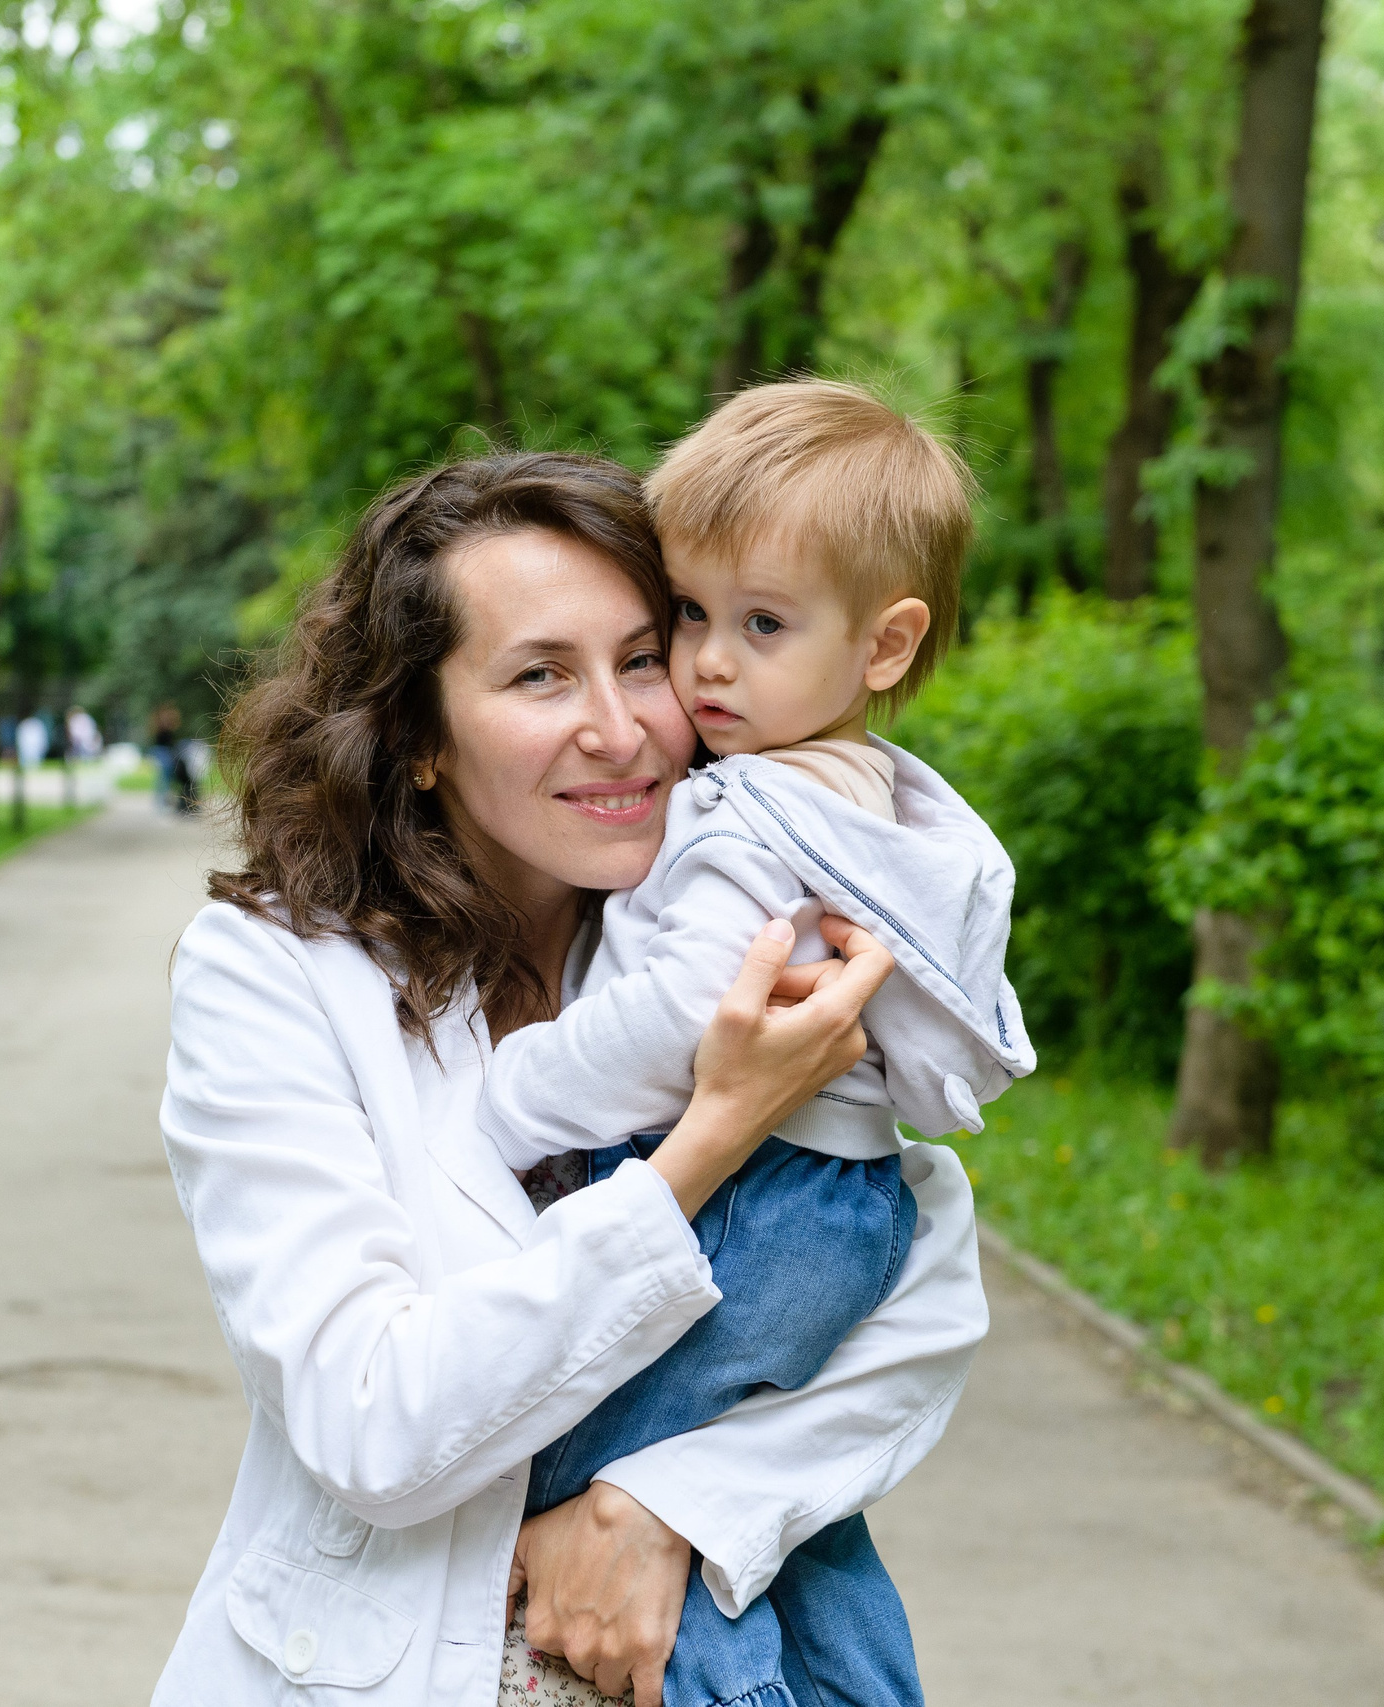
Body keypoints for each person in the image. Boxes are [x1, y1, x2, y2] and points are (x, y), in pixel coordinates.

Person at [152, 452, 989, 1707]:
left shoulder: (731, 911)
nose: (622, 726)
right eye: (541, 674)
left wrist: (670, 1508)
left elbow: (918, 1290)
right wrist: (706, 1139)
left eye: (644, 656)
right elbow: (370, 1419)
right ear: (421, 736)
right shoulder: (276, 975)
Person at [471, 382, 1032, 1707]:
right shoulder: (881, 804)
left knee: (602, 1477)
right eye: (692, 617)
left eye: (762, 624)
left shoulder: (750, 814)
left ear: (887, 644)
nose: (712, 663)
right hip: (841, 1205)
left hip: (753, 1204)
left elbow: (680, 1022)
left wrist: (509, 1092)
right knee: (796, 1525)